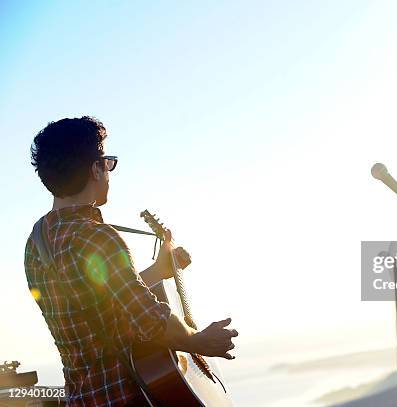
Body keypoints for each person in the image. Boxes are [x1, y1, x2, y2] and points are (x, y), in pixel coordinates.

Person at [24, 116, 238, 406]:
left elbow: (95, 301)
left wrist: (159, 271)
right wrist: (197, 340)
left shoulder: (37, 241)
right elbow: (150, 320)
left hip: (83, 398)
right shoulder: (98, 238)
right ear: (95, 169)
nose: (109, 171)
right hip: (125, 396)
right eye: (107, 161)